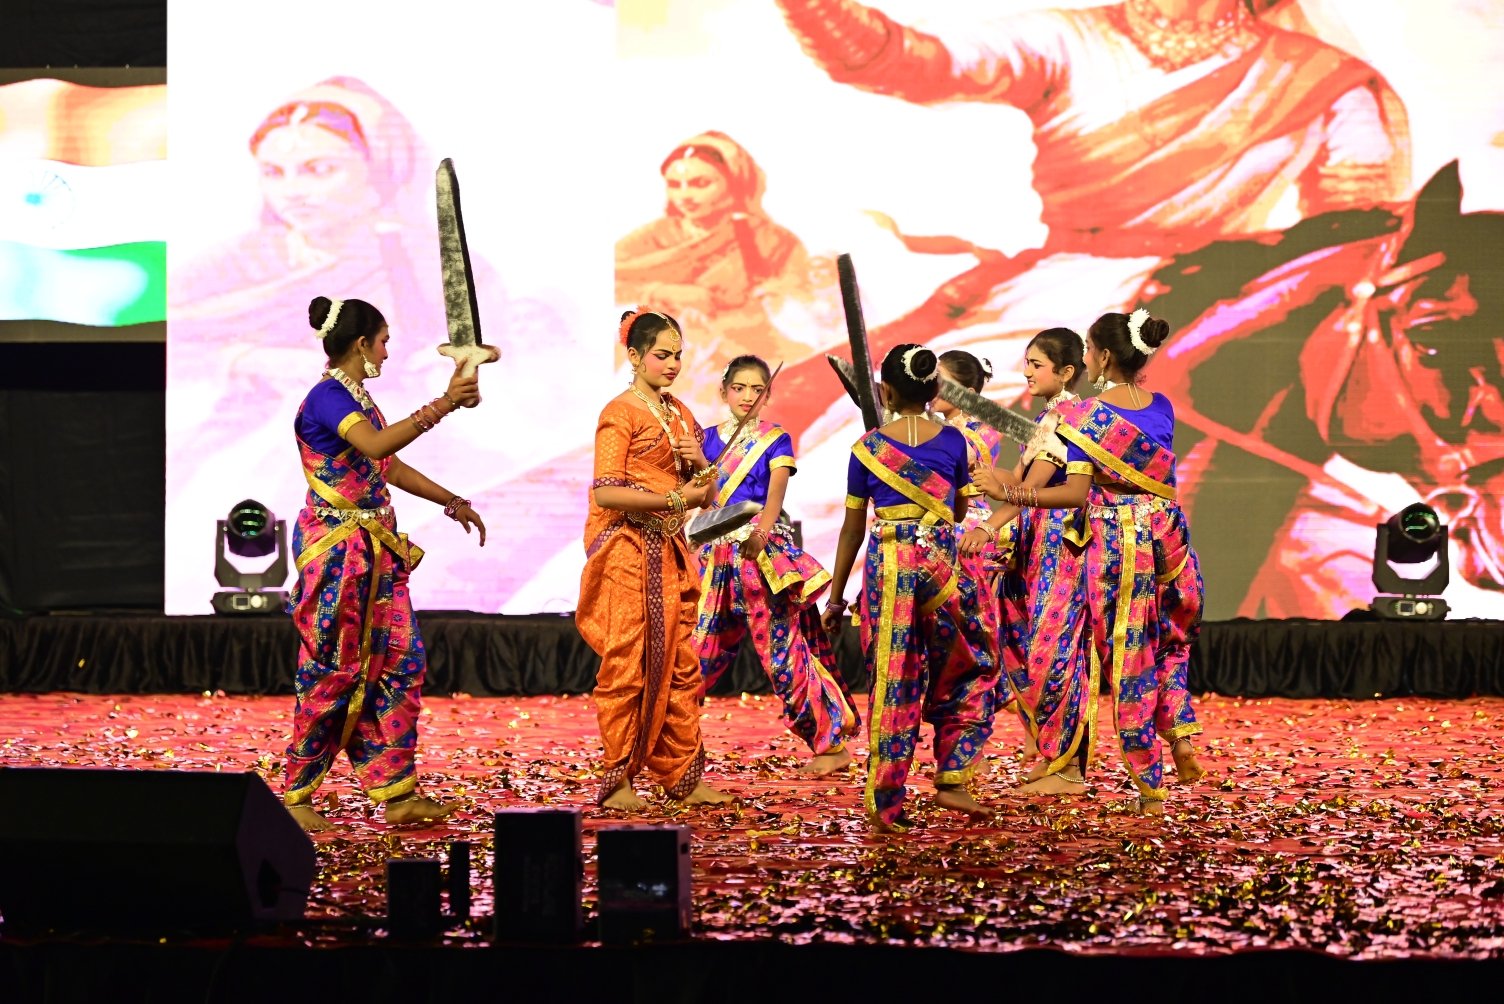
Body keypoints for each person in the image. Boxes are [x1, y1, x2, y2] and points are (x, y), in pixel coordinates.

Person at [763, 0, 1410, 447]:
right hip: (1065, 291)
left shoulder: (1327, 81)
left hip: (1228, 304)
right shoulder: (1070, 41)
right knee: (877, 446)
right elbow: (898, 58)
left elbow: (1357, 243)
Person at [974, 310, 1205, 814]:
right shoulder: (1162, 406)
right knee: (1154, 649)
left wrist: (1006, 495)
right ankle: (1167, 755)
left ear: (1100, 357)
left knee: (1100, 654)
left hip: (1112, 546)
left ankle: (1117, 779)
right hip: (1166, 538)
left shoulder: (1083, 419)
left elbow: (1074, 492)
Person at [284, 296, 486, 832]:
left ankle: (397, 793)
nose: (387, 352)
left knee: (400, 662)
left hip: (376, 552)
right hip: (338, 555)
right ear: (361, 344)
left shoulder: (356, 398)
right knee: (334, 668)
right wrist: (443, 403)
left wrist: (450, 500)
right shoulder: (327, 398)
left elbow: (385, 464)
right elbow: (375, 445)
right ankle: (297, 795)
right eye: (383, 341)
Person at [822, 344, 1001, 831]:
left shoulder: (867, 448)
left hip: (888, 572)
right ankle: (953, 777)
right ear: (933, 389)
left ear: (885, 392)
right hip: (941, 568)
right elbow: (959, 511)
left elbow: (852, 530)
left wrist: (835, 598)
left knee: (893, 677)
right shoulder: (955, 442)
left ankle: (886, 801)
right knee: (969, 662)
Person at [578, 308, 737, 811]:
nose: (672, 364)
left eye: (678, 356)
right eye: (662, 355)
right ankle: (617, 780)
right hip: (627, 549)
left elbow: (707, 496)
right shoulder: (620, 413)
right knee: (628, 664)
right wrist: (673, 499)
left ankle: (682, 777)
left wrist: (699, 464)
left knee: (682, 666)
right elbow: (606, 493)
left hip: (669, 551)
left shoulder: (681, 414)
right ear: (634, 355)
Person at [692, 355, 860, 775]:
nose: (747, 396)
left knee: (782, 656)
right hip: (713, 558)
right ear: (724, 391)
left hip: (759, 557)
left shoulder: (775, 439)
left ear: (767, 395)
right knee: (695, 652)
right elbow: (698, 497)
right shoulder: (704, 439)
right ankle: (670, 740)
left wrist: (762, 534)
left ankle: (831, 745)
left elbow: (774, 496)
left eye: (757, 389)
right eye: (739, 388)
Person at [960, 329, 1091, 793]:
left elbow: (1027, 490)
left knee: (1054, 651)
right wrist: (971, 475)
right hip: (1034, 542)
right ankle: (1056, 756)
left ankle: (1069, 768)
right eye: (1028, 362)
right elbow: (1014, 478)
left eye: (1036, 364)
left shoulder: (1068, 418)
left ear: (1066, 372)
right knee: (1028, 648)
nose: (1027, 372)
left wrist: (987, 527)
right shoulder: (1046, 418)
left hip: (1059, 544)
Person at [615, 130, 819, 415]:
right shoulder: (649, 240)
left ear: (733, 184)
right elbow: (612, 288)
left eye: (700, 184)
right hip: (673, 369)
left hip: (751, 362)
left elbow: (808, 308)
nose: (685, 195)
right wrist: (666, 293)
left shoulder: (771, 241)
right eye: (675, 184)